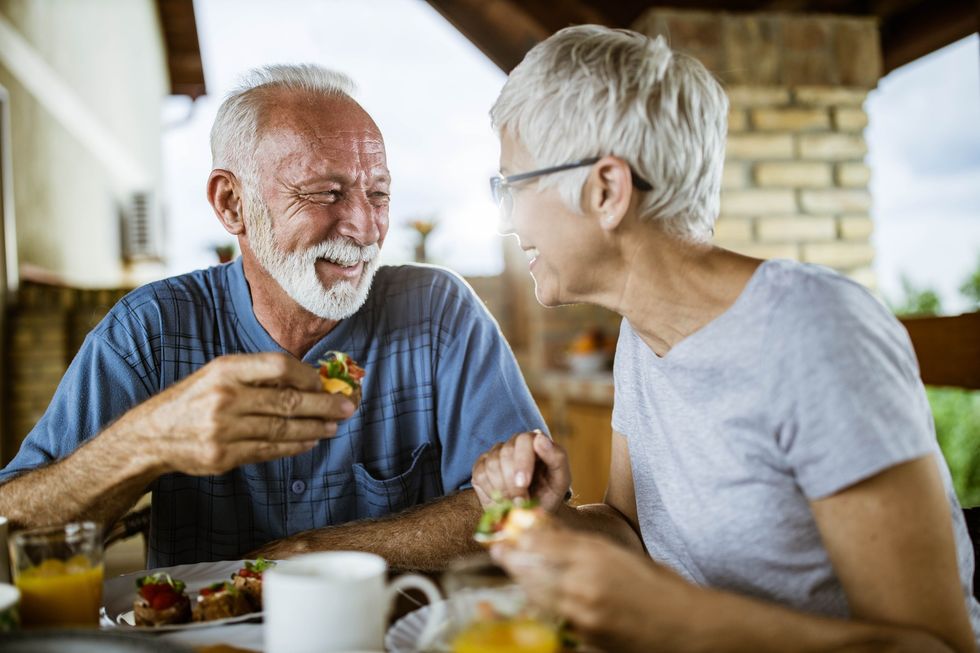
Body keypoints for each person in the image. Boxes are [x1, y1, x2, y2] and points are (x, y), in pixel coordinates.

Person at [471, 25, 980, 652]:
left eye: (515, 187)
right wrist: (555, 516)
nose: (510, 220)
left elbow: (939, 648)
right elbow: (633, 531)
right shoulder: (642, 333)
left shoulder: (817, 335)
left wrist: (675, 619)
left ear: (605, 190)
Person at [0, 64, 544, 570]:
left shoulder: (439, 312)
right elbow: (12, 525)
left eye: (378, 194)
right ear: (232, 203)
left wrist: (314, 553)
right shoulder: (149, 332)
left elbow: (525, 502)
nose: (363, 226)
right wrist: (148, 441)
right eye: (324, 193)